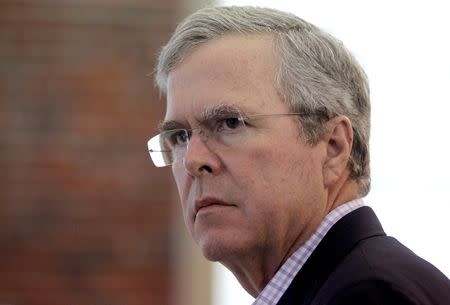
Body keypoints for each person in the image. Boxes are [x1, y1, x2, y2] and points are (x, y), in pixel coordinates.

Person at [147, 6, 450, 305]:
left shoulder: (372, 295)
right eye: (180, 136)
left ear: (333, 147)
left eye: (230, 123)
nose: (193, 160)